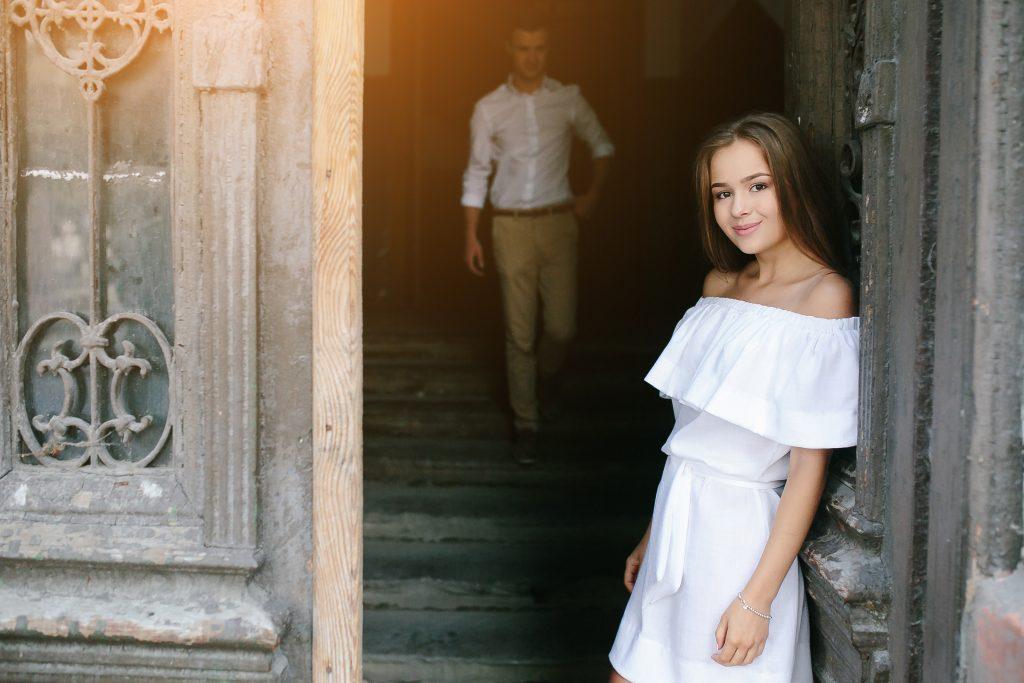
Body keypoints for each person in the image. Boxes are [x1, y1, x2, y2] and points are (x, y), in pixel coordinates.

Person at [608, 112, 859, 681]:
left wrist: (755, 601)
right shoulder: (720, 286)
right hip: (678, 521)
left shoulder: (825, 297)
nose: (738, 208)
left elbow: (806, 467)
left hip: (740, 545)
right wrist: (654, 533)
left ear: (792, 182)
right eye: (723, 193)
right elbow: (692, 440)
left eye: (758, 186)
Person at [461, 9, 614, 462]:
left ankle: (547, 380)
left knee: (562, 327)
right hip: (508, 226)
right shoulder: (489, 107)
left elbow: (603, 145)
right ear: (510, 50)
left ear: (548, 49)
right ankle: (527, 422)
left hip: (558, 224)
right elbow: (476, 172)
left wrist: (592, 196)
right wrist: (470, 235)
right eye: (523, 48)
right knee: (518, 332)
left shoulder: (568, 99)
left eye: (539, 48)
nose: (531, 57)